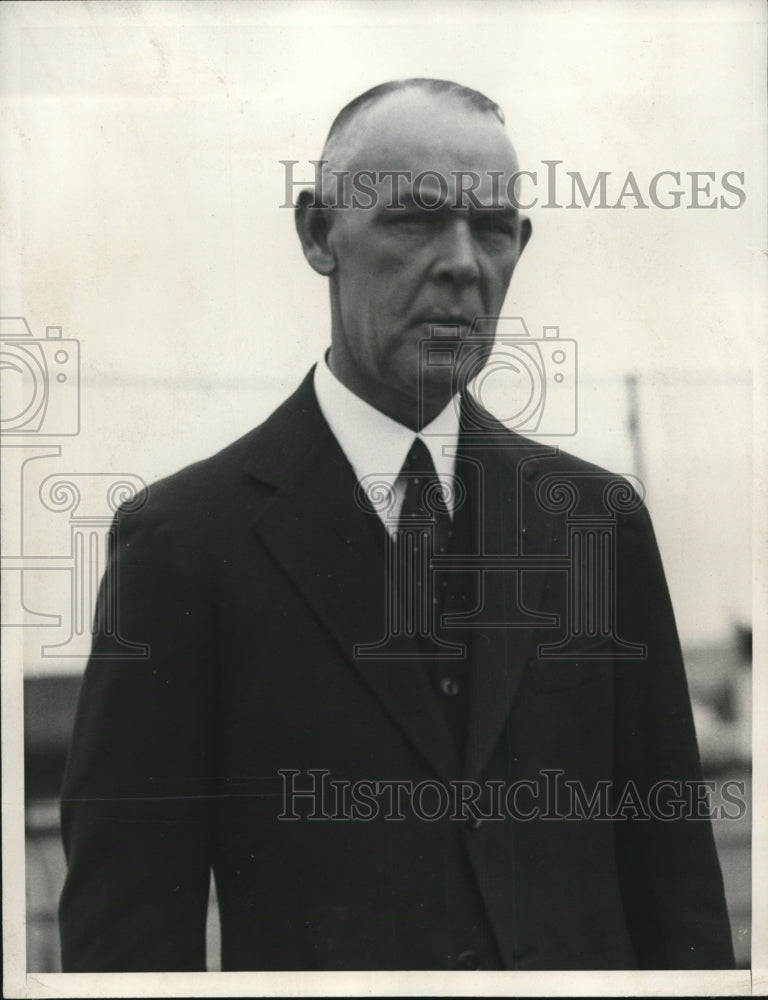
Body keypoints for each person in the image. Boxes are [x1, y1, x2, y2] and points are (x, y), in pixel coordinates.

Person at [59, 78, 734, 972]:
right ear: (317, 233)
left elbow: (678, 900)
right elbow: (127, 942)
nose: (462, 262)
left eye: (492, 228)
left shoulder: (598, 525)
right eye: (415, 219)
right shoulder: (181, 546)